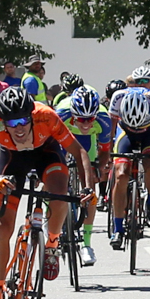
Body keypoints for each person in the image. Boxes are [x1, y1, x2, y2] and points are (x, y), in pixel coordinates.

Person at [0, 86, 94, 299]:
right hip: (12, 161)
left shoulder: (46, 116)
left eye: (23, 120)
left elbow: (80, 152)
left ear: (31, 115)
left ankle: (52, 243)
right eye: (12, 122)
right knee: (3, 229)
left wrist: (87, 188)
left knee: (59, 191)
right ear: (2, 120)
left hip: (46, 152)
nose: (19, 127)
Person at [107, 84, 150, 247]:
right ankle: (118, 228)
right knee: (120, 175)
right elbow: (110, 131)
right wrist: (106, 155)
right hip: (125, 131)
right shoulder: (118, 97)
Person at [57, 85, 111, 267]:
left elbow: (105, 151)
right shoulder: (61, 114)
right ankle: (54, 230)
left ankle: (87, 244)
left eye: (90, 119)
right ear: (73, 114)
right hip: (65, 137)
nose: (86, 124)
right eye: (81, 119)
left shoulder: (103, 119)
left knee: (91, 189)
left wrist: (99, 169)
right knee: (54, 180)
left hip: (88, 143)